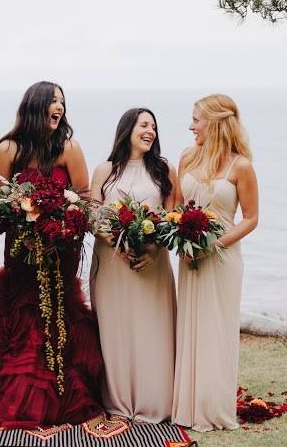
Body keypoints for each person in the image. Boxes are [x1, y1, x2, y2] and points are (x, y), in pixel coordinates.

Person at [0, 81, 104, 428]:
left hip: (61, 247)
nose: (59, 107)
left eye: (62, 102)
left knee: (60, 310)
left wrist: (65, 223)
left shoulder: (69, 147)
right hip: (21, 247)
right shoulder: (9, 147)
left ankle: (63, 397)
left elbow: (84, 196)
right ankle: (17, 396)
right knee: (22, 313)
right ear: (36, 105)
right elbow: (0, 203)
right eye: (52, 101)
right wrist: (23, 227)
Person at [171, 94, 259, 431]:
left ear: (216, 121)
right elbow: (178, 205)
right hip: (190, 255)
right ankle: (188, 407)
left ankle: (214, 408)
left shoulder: (241, 166)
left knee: (217, 329)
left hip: (222, 258)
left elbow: (250, 218)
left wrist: (215, 245)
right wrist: (177, 230)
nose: (191, 126)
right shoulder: (187, 157)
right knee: (191, 326)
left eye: (196, 119)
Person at [89, 107, 179, 423]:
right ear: (127, 129)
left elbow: (172, 216)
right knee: (116, 330)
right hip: (112, 265)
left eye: (153, 126)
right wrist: (116, 241)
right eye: (144, 124)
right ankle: (117, 400)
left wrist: (153, 251)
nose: (150, 131)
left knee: (151, 329)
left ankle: (155, 401)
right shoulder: (105, 169)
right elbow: (94, 216)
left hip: (152, 264)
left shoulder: (164, 170)